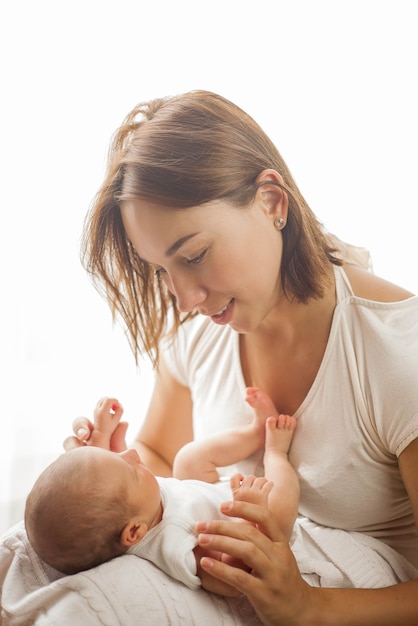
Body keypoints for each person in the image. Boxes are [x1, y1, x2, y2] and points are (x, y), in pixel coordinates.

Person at [65, 90, 418, 624]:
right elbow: (163, 456)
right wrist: (117, 478)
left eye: (194, 256)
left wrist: (309, 606)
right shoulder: (198, 330)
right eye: (161, 270)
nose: (183, 298)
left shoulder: (394, 354)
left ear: (272, 203)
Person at [26, 391, 298, 589]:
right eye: (132, 470)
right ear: (135, 532)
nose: (132, 454)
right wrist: (248, 513)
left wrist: (104, 437)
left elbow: (110, 479)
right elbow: (228, 578)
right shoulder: (175, 544)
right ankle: (276, 453)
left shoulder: (133, 506)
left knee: (187, 460)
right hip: (248, 518)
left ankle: (255, 433)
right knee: (280, 509)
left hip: (206, 492)